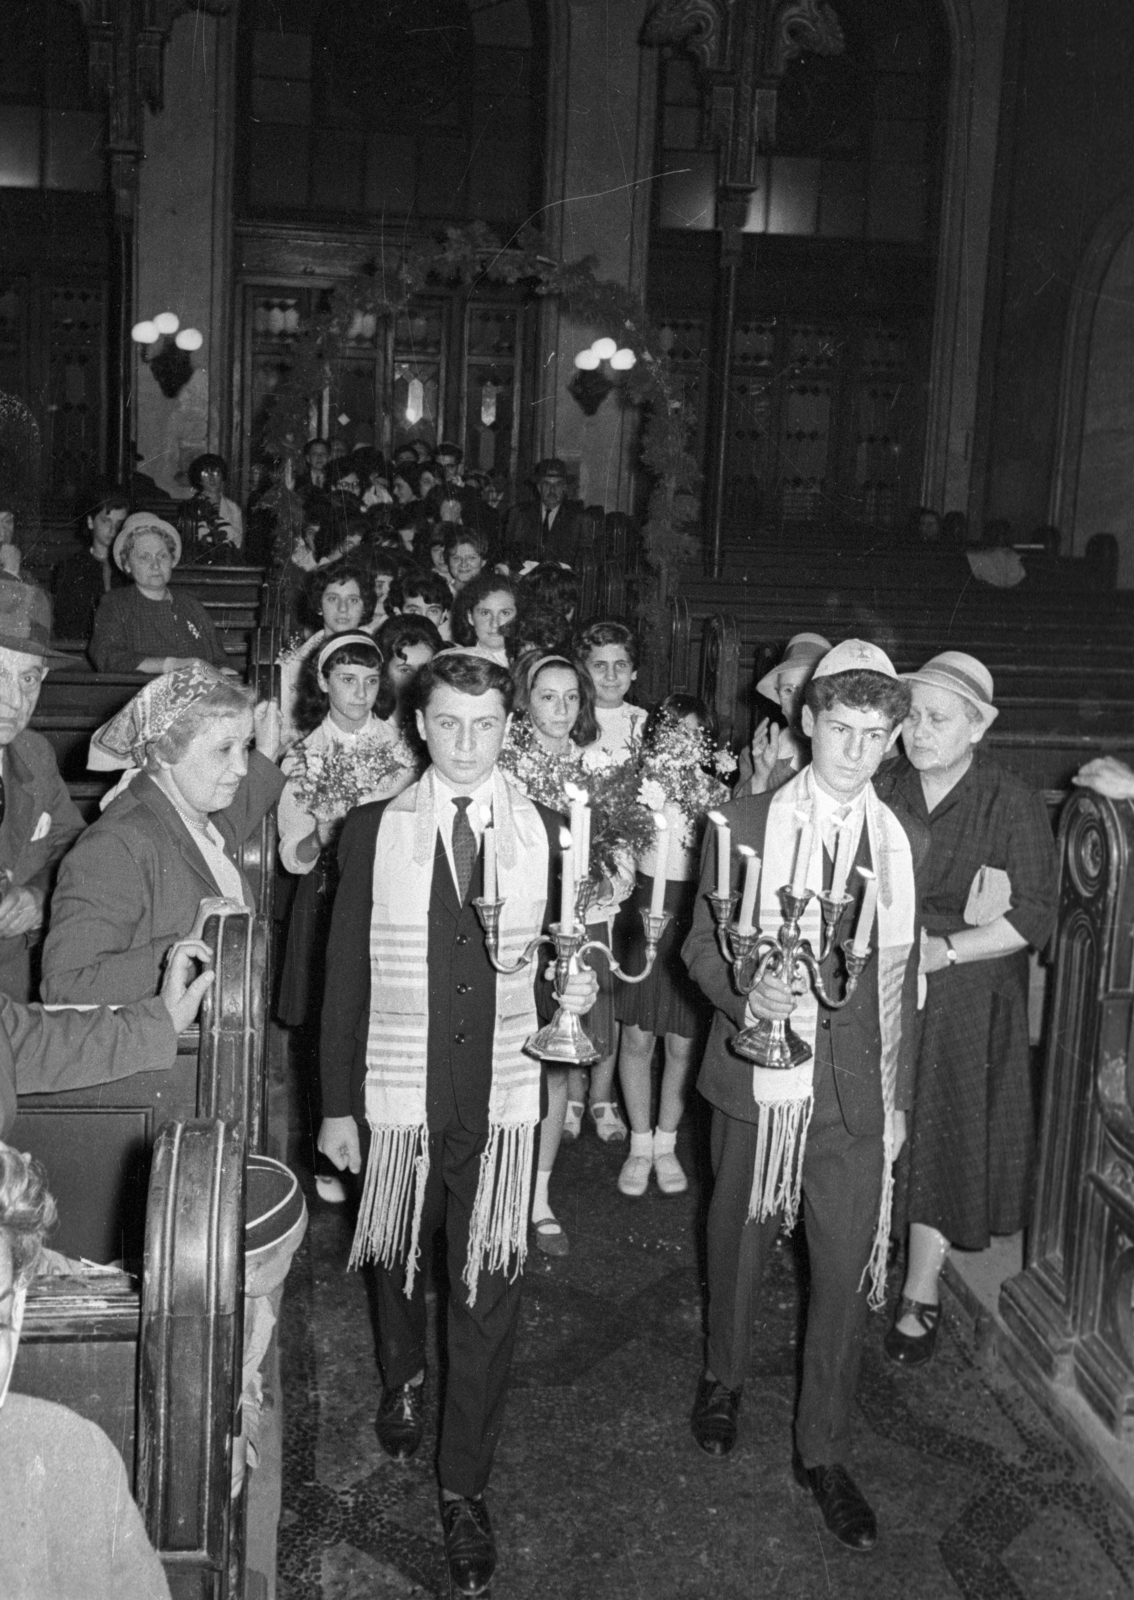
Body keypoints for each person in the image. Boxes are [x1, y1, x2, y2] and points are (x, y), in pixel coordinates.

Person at [317, 651, 597, 1598]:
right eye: (449, 725)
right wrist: (336, 1108)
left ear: (507, 729)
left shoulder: (551, 835)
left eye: (485, 726)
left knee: (487, 1288)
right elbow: (342, 983)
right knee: (398, 1262)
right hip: (400, 1095)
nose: (468, 745)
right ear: (420, 728)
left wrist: (580, 984)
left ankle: (464, 1487)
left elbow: (564, 970)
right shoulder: (370, 834)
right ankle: (401, 1373)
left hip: (503, 1099)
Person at [683, 640, 924, 1553]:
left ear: (893, 739)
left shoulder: (901, 841)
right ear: (807, 722)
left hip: (855, 1096)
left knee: (843, 1276)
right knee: (737, 1239)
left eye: (876, 736)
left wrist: (895, 1101)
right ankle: (723, 1375)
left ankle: (822, 1449)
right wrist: (750, 996)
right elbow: (699, 948)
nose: (856, 753)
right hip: (757, 1076)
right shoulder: (740, 824)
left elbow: (903, 985)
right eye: (841, 731)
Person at [875, 652, 1058, 1367]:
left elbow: (1036, 915)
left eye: (937, 719)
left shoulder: (1006, 799)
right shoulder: (886, 786)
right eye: (912, 716)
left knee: (940, 1126)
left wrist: (944, 951)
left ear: (975, 728)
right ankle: (863, 1245)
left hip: (967, 978)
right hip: (890, 964)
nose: (919, 731)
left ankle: (921, 1286)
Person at [41, 664, 285, 1005]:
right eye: (224, 749)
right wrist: (186, 945)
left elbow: (226, 826)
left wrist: (268, 753)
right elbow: (65, 987)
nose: (242, 767)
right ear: (165, 752)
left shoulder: (187, 813)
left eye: (245, 745)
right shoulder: (115, 845)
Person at [277, 633, 417, 1204]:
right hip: (327, 898)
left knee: (381, 1019)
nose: (358, 692)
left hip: (389, 897)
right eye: (346, 680)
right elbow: (292, 853)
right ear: (323, 682)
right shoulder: (304, 755)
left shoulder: (402, 748)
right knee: (328, 1023)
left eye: (368, 680)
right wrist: (324, 827)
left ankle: (385, 1135)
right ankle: (326, 1150)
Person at [498, 654, 629, 1254]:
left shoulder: (598, 771)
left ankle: (539, 1194)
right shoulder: (503, 768)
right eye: (546, 697)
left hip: (575, 936)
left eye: (570, 698)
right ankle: (494, 1187)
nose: (559, 710)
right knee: (504, 1063)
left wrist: (604, 884)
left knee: (554, 1068)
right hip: (515, 936)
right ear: (526, 701)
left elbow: (621, 861)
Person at [615, 695, 727, 1198]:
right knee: (638, 1037)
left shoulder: (716, 794)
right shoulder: (638, 790)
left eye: (693, 733)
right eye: (672, 732)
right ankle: (639, 1144)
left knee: (683, 1042)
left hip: (690, 913)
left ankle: (666, 1141)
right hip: (644, 910)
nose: (682, 742)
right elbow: (617, 854)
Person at [0, 580, 85, 999]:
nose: (12, 700)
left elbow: (73, 843)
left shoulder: (33, 752)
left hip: (13, 998)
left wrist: (38, 896)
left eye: (28, 678)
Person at [89, 514, 230, 675]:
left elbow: (219, 660)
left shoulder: (190, 605)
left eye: (162, 556)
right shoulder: (115, 604)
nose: (155, 565)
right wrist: (172, 665)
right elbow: (108, 657)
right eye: (144, 557)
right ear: (127, 564)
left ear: (172, 559)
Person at [277, 557, 376, 748]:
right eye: (332, 598)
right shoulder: (292, 666)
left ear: (364, 607)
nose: (343, 609)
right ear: (319, 605)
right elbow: (285, 734)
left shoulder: (381, 656)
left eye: (353, 600)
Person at [737, 632, 831, 796]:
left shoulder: (859, 749)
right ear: (779, 700)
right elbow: (738, 818)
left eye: (807, 689)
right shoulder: (755, 757)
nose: (798, 701)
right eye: (788, 690)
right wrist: (761, 778)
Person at [51, 487, 129, 641]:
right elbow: (65, 623)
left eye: (119, 524)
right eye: (106, 521)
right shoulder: (70, 568)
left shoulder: (129, 567)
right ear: (90, 521)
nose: (113, 530)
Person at [574, 621, 647, 766]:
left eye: (621, 665)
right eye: (599, 665)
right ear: (582, 671)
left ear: (634, 672)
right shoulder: (571, 718)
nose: (611, 676)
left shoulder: (643, 722)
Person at [504, 458, 583, 567]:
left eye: (558, 484)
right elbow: (508, 551)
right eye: (546, 484)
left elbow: (583, 561)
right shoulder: (519, 513)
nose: (552, 490)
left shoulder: (578, 518)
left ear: (564, 488)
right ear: (538, 487)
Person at [178, 453, 244, 563]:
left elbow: (237, 542)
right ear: (198, 478)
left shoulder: (233, 508)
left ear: (223, 476)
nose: (212, 478)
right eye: (205, 474)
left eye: (216, 472)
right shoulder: (190, 506)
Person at [449, 571, 518, 666]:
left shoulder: (529, 664)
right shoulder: (454, 662)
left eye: (505, 613)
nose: (494, 624)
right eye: (485, 613)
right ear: (470, 617)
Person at [399, 569, 452, 640]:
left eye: (433, 611)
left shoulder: (452, 650)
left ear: (443, 615)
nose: (424, 619)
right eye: (414, 611)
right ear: (398, 613)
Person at [445, 528, 488, 596]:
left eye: (471, 558)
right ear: (448, 561)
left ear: (483, 562)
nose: (463, 564)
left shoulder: (489, 595)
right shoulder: (442, 594)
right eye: (456, 558)